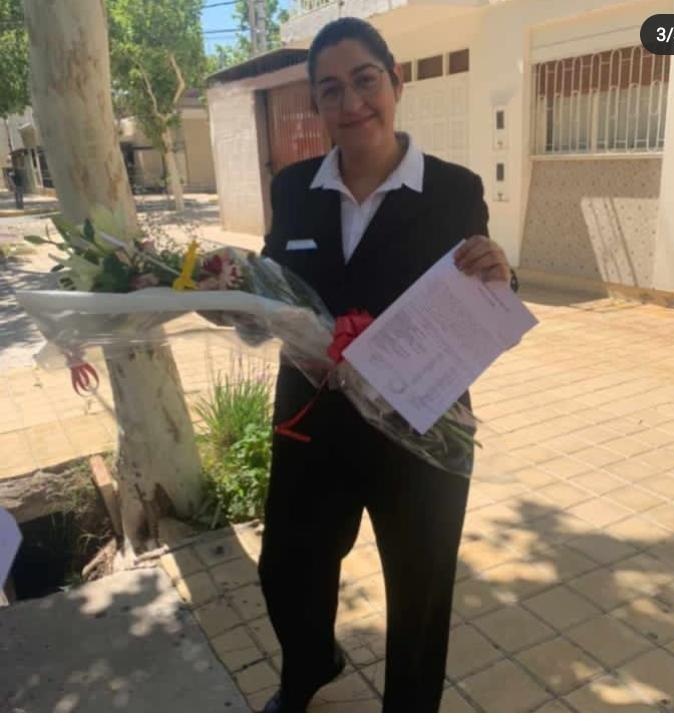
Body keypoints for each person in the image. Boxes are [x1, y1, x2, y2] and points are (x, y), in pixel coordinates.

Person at [258, 17, 514, 713]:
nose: (351, 103)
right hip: (313, 414)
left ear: (395, 82)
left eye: (365, 80)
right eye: (330, 89)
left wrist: (499, 274)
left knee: (420, 587)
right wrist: (233, 300)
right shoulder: (295, 188)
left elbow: (481, 288)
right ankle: (310, 664)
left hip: (419, 424)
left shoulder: (453, 191)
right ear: (317, 103)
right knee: (287, 566)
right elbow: (272, 286)